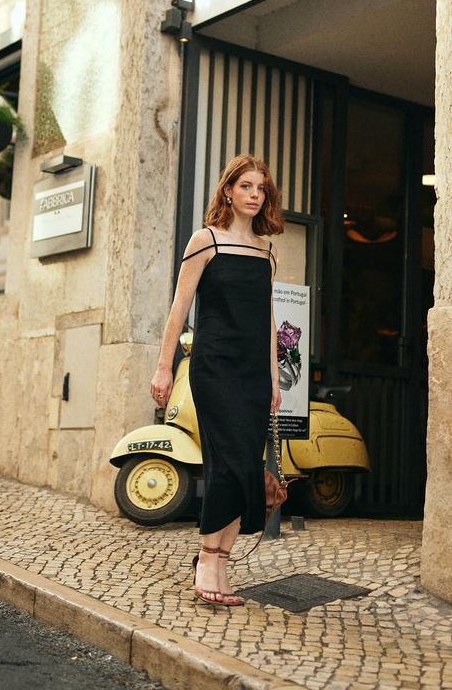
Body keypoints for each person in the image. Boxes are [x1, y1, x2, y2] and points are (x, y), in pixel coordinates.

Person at [150, 155, 284, 607]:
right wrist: (164, 366)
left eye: (261, 189)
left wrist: (274, 379)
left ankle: (220, 562)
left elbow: (267, 320)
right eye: (246, 186)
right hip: (215, 368)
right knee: (226, 463)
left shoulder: (266, 251)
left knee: (245, 465)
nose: (254, 195)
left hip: (253, 375)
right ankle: (208, 560)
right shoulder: (205, 240)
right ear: (228, 190)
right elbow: (179, 307)